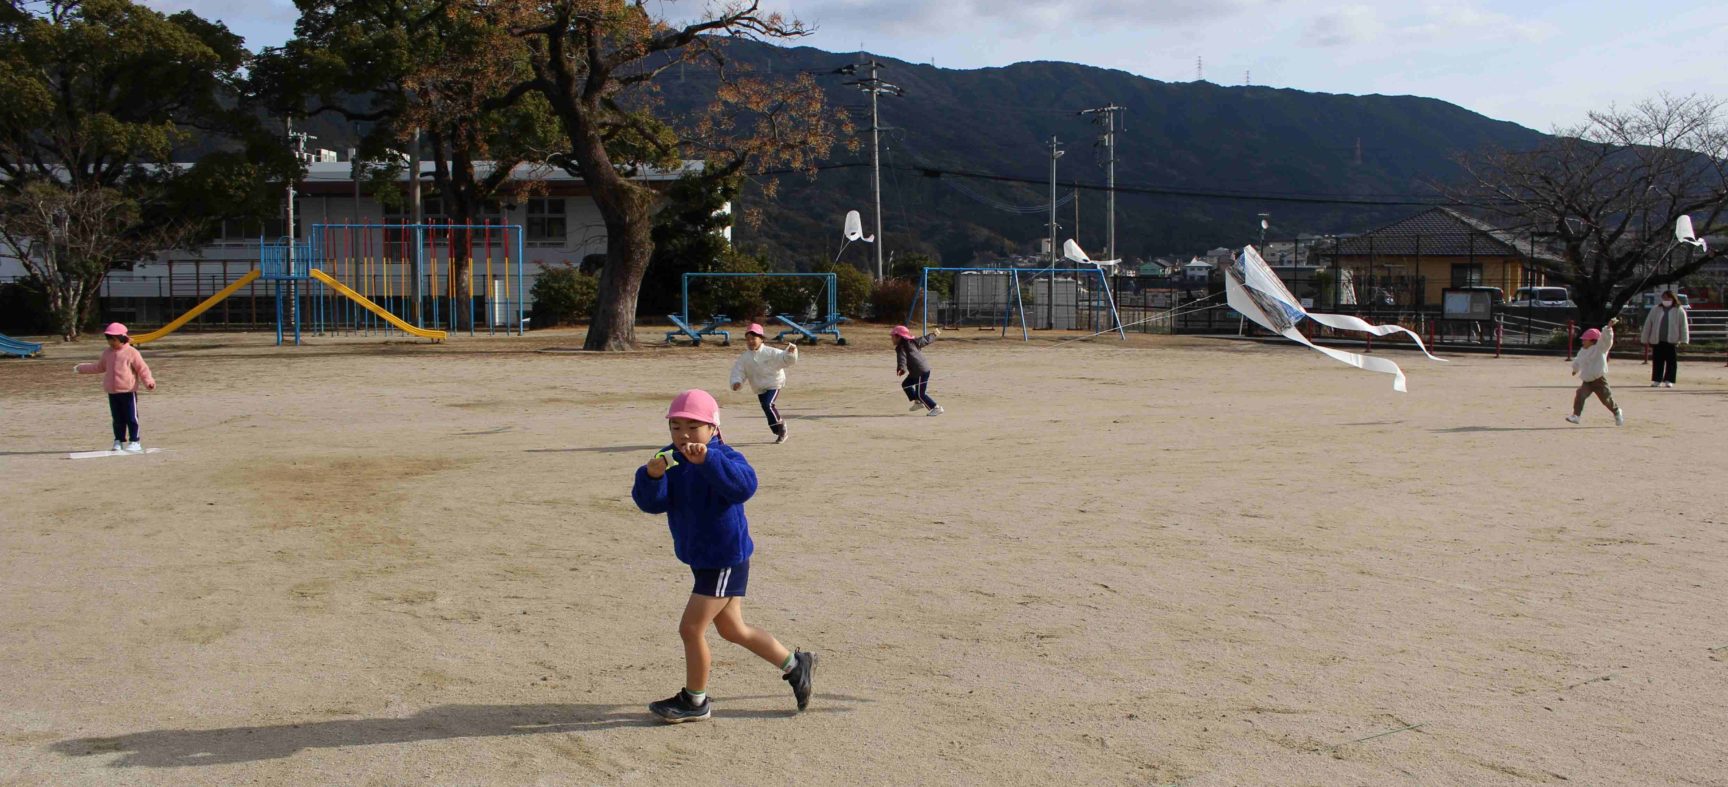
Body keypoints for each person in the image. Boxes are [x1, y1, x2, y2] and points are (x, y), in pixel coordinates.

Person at [631, 389, 816, 723]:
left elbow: (744, 487)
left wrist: (708, 461)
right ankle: (795, 664)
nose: (683, 434)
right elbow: (652, 504)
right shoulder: (669, 459)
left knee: (690, 628)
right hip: (701, 558)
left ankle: (695, 700)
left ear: (713, 428)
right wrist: (651, 477)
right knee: (733, 629)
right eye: (675, 426)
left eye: (693, 426)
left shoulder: (725, 456)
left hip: (725, 557)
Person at [73, 322, 156, 452]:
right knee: (117, 419)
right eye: (109, 340)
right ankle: (118, 441)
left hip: (128, 391)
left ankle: (135, 441)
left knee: (131, 417)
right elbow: (99, 367)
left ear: (122, 338)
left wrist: (149, 382)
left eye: (114, 340)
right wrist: (81, 368)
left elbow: (143, 369)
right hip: (112, 392)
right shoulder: (107, 353)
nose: (111, 343)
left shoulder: (132, 352)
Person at [729, 323, 798, 444]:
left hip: (774, 382)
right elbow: (738, 371)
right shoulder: (745, 357)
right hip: (759, 386)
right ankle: (777, 430)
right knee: (766, 409)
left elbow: (785, 360)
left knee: (768, 404)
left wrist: (791, 352)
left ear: (761, 339)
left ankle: (781, 427)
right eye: (748, 339)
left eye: (753, 338)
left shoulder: (771, 352)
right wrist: (737, 382)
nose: (750, 341)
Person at [1568, 318, 1623, 426]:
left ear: (1593, 340)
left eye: (1585, 339)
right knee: (1580, 394)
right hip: (1587, 380)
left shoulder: (1600, 348)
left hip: (1599, 380)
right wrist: (1575, 369)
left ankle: (1617, 411)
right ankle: (1576, 416)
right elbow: (1578, 360)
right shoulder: (1583, 350)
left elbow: (1606, 340)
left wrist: (1608, 328)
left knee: (1606, 400)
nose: (1583, 341)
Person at [1640, 291, 1689, 388]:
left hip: (1672, 340)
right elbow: (1648, 324)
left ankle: (1669, 380)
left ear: (1673, 299)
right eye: (1664, 298)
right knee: (1658, 361)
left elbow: (1683, 326)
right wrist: (1645, 338)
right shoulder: (1655, 309)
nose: (1666, 300)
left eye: (1668, 298)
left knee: (1671, 362)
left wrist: (1684, 339)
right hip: (1657, 340)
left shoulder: (1679, 310)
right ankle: (1657, 380)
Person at [892, 325, 943, 416]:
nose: (892, 339)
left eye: (893, 337)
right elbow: (926, 340)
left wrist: (901, 368)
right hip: (917, 371)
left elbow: (902, 359)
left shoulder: (901, 347)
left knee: (920, 394)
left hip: (920, 371)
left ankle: (936, 407)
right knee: (906, 384)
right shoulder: (913, 341)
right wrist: (934, 334)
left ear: (899, 337)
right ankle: (918, 403)